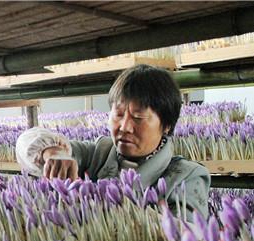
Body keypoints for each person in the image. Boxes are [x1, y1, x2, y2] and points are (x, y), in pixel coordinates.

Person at [15, 64, 210, 220]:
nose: (124, 126)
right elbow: (26, 142)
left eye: (138, 117)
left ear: (166, 124)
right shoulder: (98, 154)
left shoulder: (187, 175)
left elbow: (191, 234)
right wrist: (52, 151)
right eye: (118, 114)